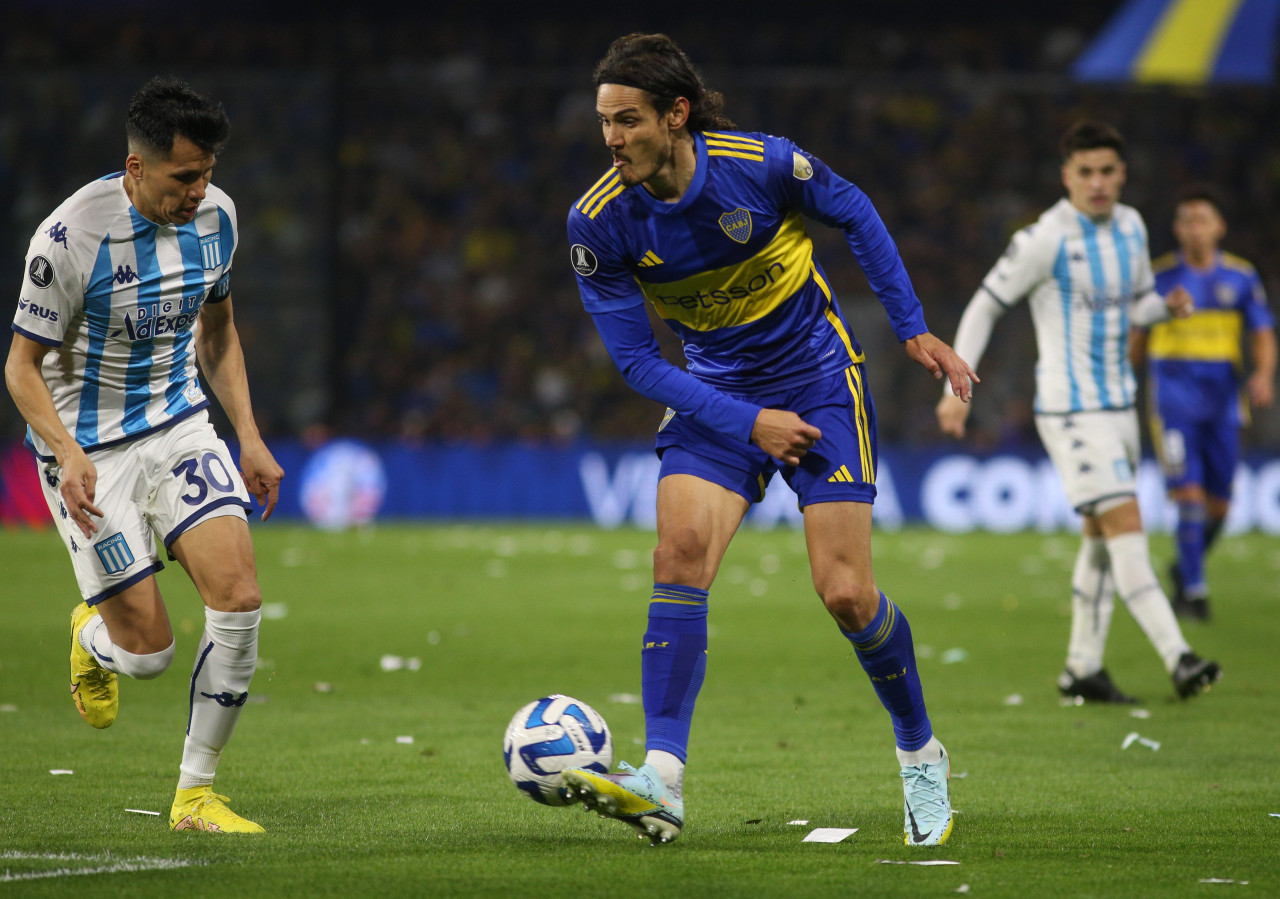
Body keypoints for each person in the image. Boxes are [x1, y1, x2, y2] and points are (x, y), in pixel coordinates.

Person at [562, 33, 975, 847]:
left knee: (846, 591)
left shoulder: (760, 165)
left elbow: (853, 208)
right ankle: (664, 781)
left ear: (676, 115)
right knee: (678, 552)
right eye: (604, 122)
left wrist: (912, 327)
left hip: (819, 381)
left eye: (629, 120)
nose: (612, 139)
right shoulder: (598, 222)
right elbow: (639, 362)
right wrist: (745, 420)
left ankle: (921, 752)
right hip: (719, 398)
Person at [5, 76, 282, 833]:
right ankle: (93, 636)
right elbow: (20, 367)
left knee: (240, 599)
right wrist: (65, 452)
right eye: (183, 177)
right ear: (136, 168)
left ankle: (195, 795)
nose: (199, 190)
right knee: (149, 653)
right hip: (90, 451)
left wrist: (248, 435)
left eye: (208, 173)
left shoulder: (218, 219)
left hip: (179, 425)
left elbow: (218, 333)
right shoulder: (71, 238)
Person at [936, 120, 1221, 705]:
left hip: (1122, 408)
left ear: (1122, 175)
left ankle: (1081, 670)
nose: (1097, 183)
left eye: (1107, 171)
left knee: (1100, 539)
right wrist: (954, 387)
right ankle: (1179, 657)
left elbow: (1135, 303)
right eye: (1085, 172)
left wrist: (1163, 308)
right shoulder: (1045, 239)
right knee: (1127, 529)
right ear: (1066, 175)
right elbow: (986, 305)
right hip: (1071, 412)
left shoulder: (1133, 228)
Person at [1130, 187, 1276, 621]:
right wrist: (1124, 376)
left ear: (1219, 227)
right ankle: (1194, 593)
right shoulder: (1158, 276)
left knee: (1220, 507)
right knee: (1189, 498)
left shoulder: (1241, 277)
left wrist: (1264, 374)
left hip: (1225, 405)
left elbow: (1263, 332)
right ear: (1177, 229)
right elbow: (1137, 335)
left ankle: (1184, 565)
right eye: (1187, 220)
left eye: (1202, 219)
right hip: (1173, 405)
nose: (1195, 227)